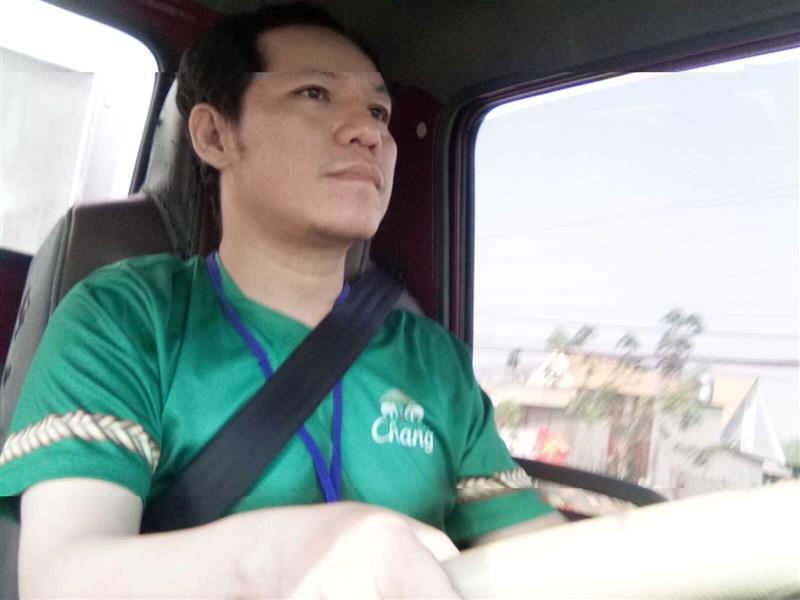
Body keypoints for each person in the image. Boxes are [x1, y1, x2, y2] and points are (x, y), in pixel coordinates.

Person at [0, 4, 560, 597]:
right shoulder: (125, 316)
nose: (369, 132)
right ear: (215, 135)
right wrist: (288, 557)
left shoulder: (433, 359)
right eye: (315, 94)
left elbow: (541, 561)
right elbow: (63, 580)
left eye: (378, 111)